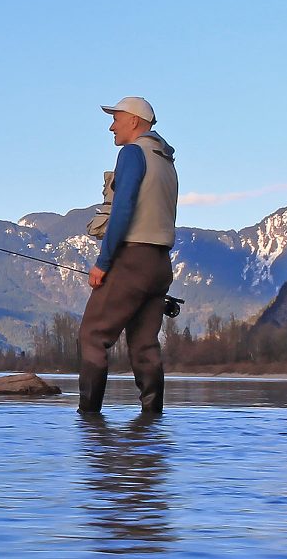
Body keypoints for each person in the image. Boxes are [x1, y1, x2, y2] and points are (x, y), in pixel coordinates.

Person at [78, 96, 178, 414]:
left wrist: (103, 262)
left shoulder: (133, 153)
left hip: (132, 260)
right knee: (145, 346)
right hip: (160, 265)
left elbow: (123, 209)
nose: (112, 125)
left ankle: (89, 421)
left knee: (93, 336)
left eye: (116, 119)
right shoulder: (166, 161)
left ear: (134, 121)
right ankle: (152, 422)